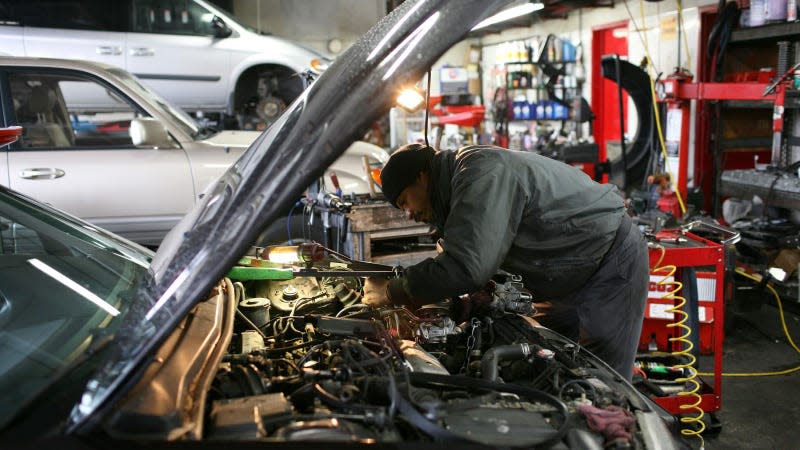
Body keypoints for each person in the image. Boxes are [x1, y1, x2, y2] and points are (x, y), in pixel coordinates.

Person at [362, 143, 649, 380]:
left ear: (421, 177)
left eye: (403, 202)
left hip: (610, 263)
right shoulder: (455, 191)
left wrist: (392, 290)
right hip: (563, 278)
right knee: (545, 364)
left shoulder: (481, 173)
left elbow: (466, 266)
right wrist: (472, 297)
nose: (408, 214)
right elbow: (482, 250)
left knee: (602, 385)